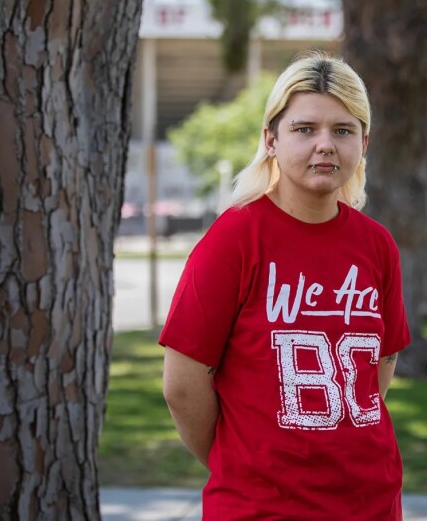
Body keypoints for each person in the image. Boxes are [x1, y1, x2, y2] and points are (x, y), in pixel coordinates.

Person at [160, 52, 411, 520]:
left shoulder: (377, 245)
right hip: (261, 507)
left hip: (370, 502)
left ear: (364, 142)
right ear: (270, 139)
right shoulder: (235, 237)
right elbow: (183, 384)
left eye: (342, 130)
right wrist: (240, 462)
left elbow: (382, 363)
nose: (325, 145)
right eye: (304, 129)